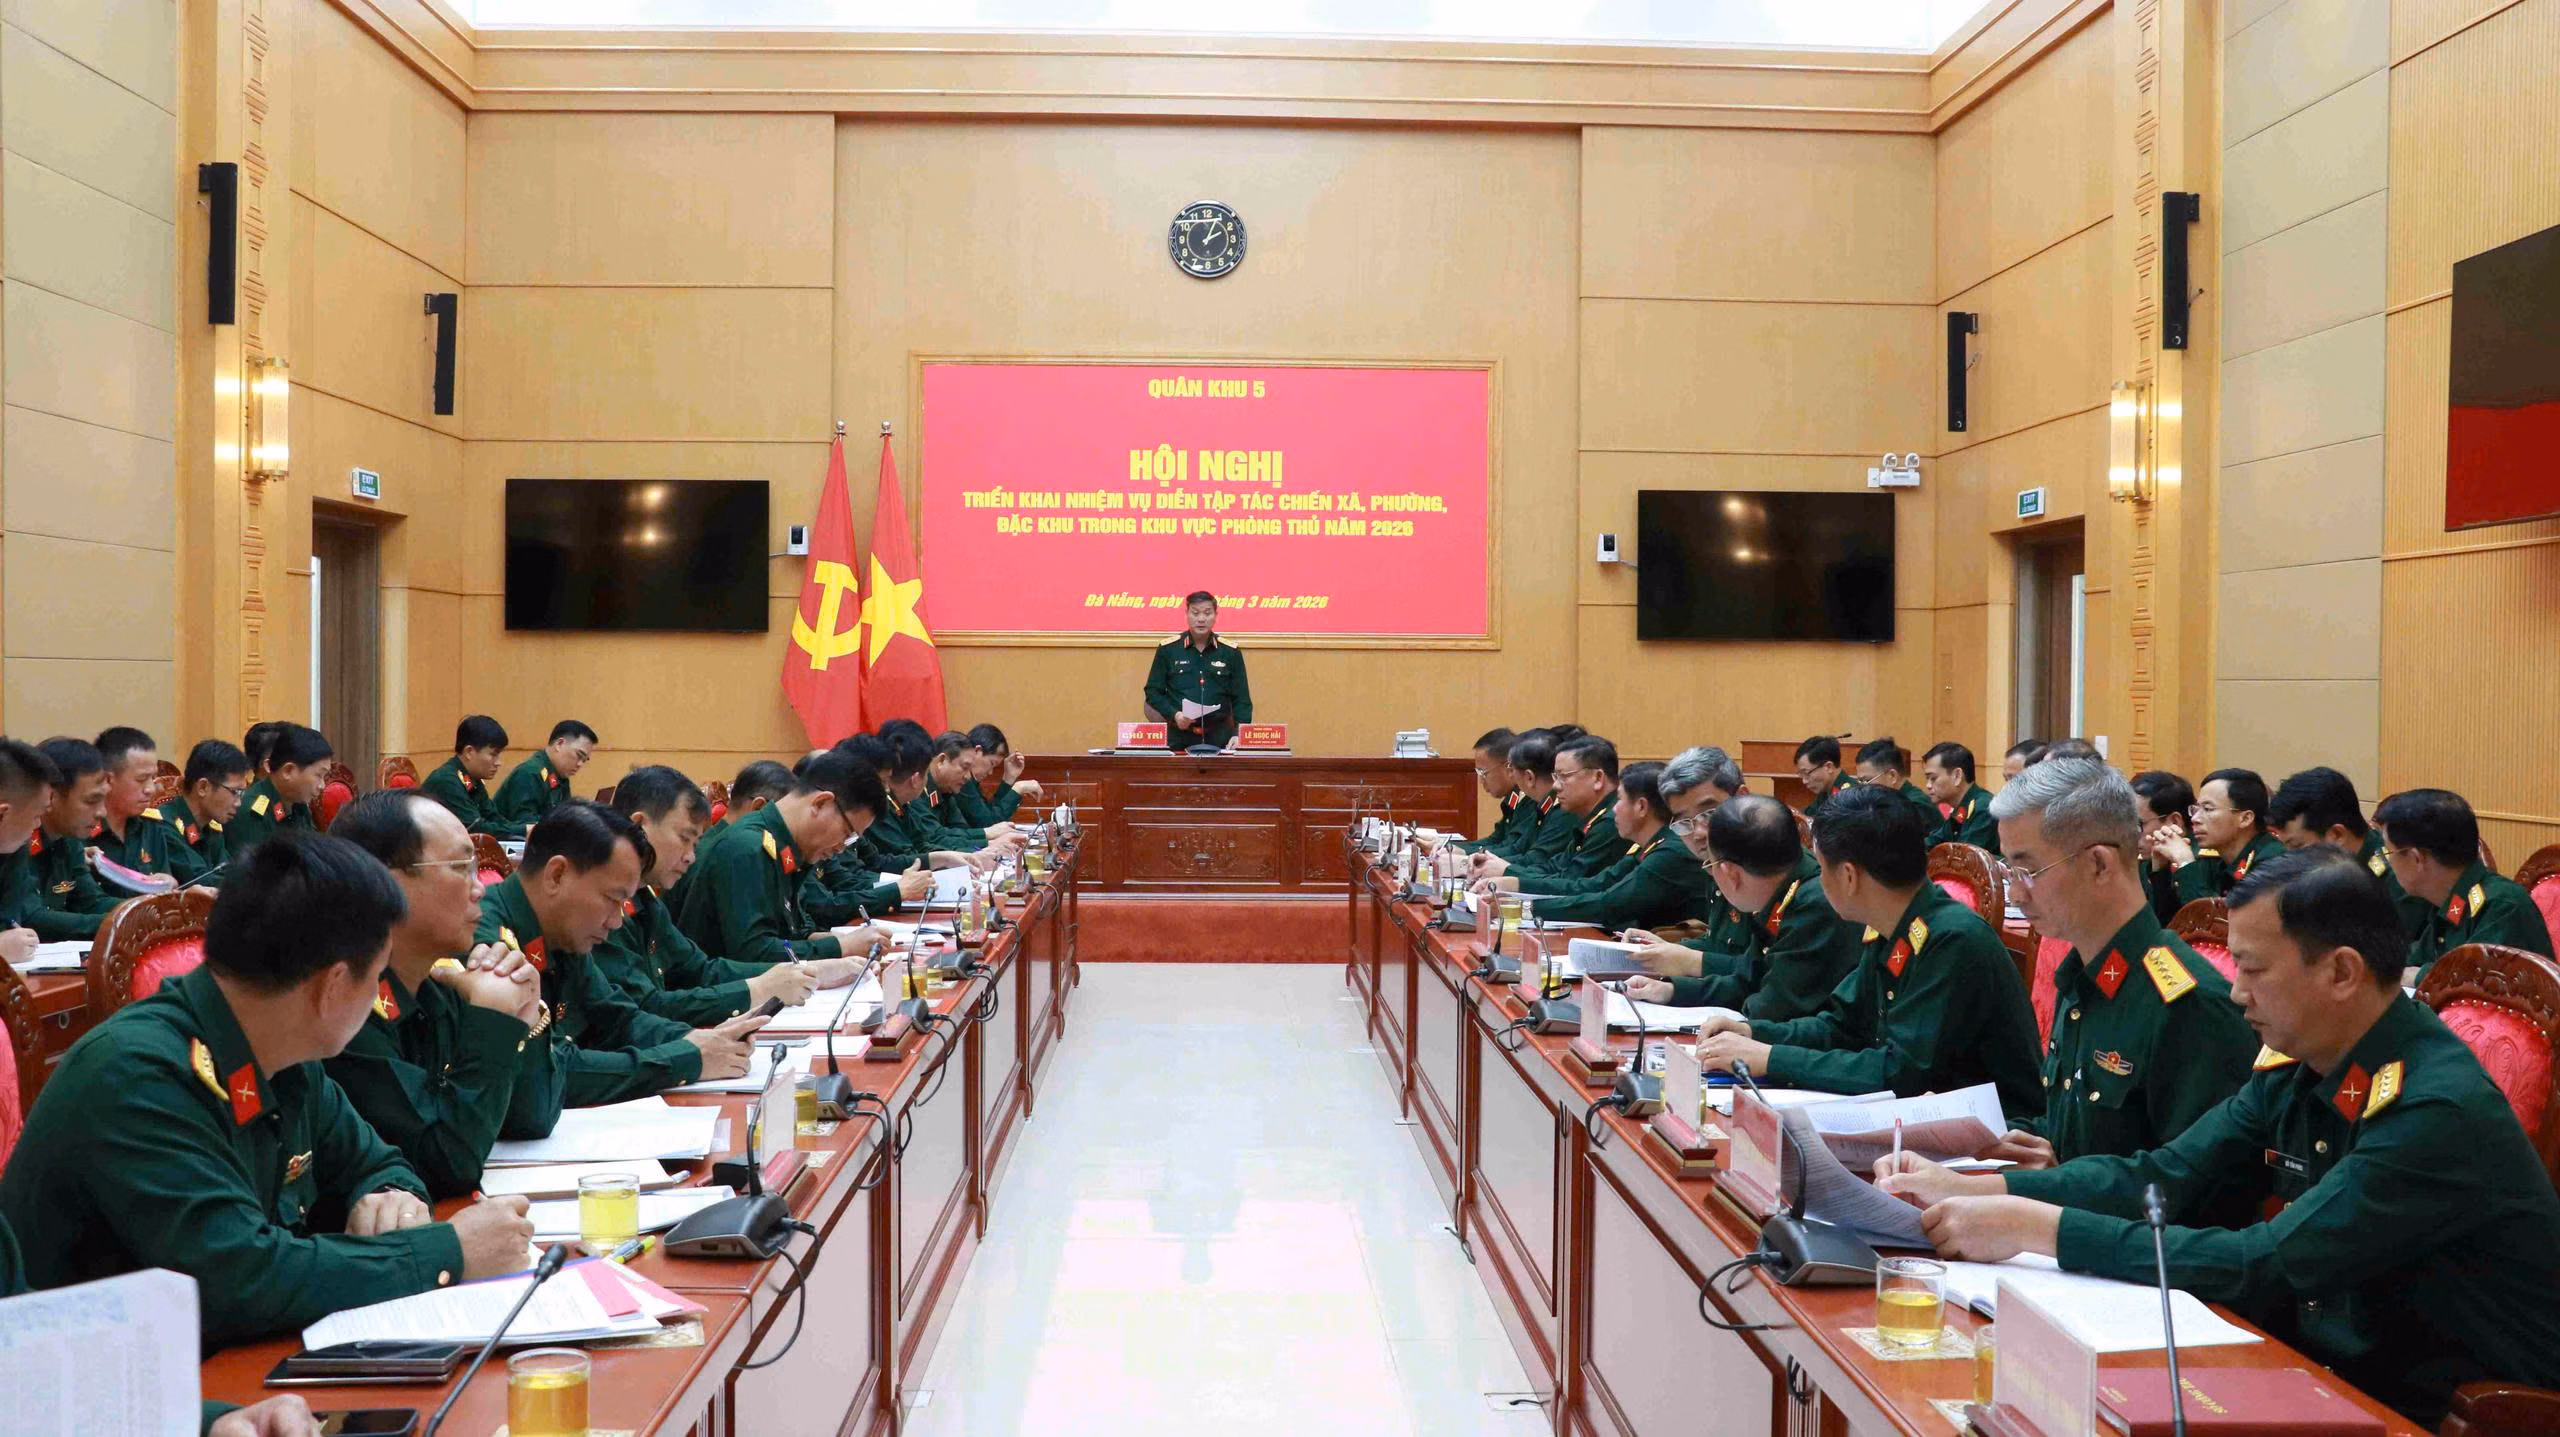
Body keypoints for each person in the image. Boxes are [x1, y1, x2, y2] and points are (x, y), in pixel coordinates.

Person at [1891, 849, 2560, 1429]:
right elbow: (2164, 1173)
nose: (2236, 993)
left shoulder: (2433, 1107)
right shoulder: (2303, 1059)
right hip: (2320, 1375)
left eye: (2253, 969)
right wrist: (1983, 1188)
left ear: (2342, 973)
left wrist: (2042, 1229)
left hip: (2444, 1412)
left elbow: (2264, 1262)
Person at [0, 831, 538, 1347]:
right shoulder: (136, 1075)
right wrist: (449, 1251)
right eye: (376, 976)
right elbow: (239, 1277)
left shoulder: (282, 1048)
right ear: (332, 986)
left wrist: (390, 1195)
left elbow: (377, 1161)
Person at [1870, 760, 2256, 1217]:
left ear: (2098, 864)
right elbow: (2072, 1137)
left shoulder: (2188, 1005)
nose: (2016, 894)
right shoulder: (2082, 975)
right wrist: (1962, 1132)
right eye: (2010, 872)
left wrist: (2019, 1188)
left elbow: (2189, 1195)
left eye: (2028, 871)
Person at [1691, 784, 2044, 1118]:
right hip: (1924, 1118)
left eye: (1822, 867)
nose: (1818, 879)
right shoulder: (1891, 925)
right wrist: (1753, 1034)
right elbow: (1841, 1026)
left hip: (1999, 1135)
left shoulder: (1951, 939)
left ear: (1848, 876)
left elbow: (1899, 1072)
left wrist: (1771, 1058)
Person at [323, 791, 550, 1197]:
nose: (479, 889)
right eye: (461, 868)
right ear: (383, 883)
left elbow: (531, 1116)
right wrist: (493, 1021)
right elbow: (448, 1164)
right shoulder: (345, 1010)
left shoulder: (442, 985)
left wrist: (522, 1013)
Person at [477, 802, 767, 1106]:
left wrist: (695, 1040)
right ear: (557, 875)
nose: (617, 921)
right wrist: (685, 1059)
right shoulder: (489, 945)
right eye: (612, 899)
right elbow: (550, 1073)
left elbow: (618, 1018)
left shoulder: (562, 928)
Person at [598, 765, 874, 1025]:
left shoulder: (644, 898)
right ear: (639, 826)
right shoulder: (603, 904)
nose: (691, 857)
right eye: (684, 838)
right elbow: (642, 1011)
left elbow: (701, 969)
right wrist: (757, 989)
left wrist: (808, 971)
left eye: (694, 843)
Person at [1626, 793, 1862, 1022]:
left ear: (1730, 873)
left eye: (1710, 864)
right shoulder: (1783, 888)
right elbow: (1747, 978)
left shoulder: (1813, 906)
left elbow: (1771, 1009)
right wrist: (1671, 991)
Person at [677, 749, 897, 970]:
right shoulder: (747, 847)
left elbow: (788, 935)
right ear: (821, 803)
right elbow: (754, 954)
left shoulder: (786, 848)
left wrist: (843, 945)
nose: (842, 848)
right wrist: (840, 947)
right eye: (847, 834)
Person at [1495, 762, 1709, 930]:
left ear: (1641, 807)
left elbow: (1609, 904)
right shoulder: (1648, 845)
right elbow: (1596, 884)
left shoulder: (1669, 851)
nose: (1614, 809)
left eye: (1620, 800)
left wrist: (1522, 908)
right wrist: (1517, 884)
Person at [2376, 787, 2551, 978]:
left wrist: (2418, 976)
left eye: (2389, 853)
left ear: (2416, 858)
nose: (2388, 862)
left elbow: (2474, 981)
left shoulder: (2502, 906)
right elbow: (2413, 958)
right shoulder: (2447, 900)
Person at [2269, 766, 2430, 940]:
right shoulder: (2333, 870)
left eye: (2297, 846)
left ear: (2337, 835)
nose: (2291, 858)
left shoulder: (2398, 877)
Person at [1471, 735, 1628, 889]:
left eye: (1564, 776)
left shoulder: (1610, 822)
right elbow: (1555, 867)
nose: (1555, 786)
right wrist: (1506, 870)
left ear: (1598, 778)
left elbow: (1571, 882)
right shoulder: (1590, 816)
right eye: (1556, 776)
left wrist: (1510, 875)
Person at [9, 737, 122, 940]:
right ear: (51, 797)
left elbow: (91, 902)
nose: (102, 812)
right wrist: (122, 922)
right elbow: (33, 918)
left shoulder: (69, 837)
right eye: (91, 801)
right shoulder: (15, 837)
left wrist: (150, 907)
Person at [2155, 767, 2285, 910]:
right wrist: (2160, 869)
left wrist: (2185, 862)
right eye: (2196, 809)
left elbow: (2220, 921)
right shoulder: (2214, 858)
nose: (2195, 819)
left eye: (2208, 809)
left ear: (2245, 818)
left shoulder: (2274, 862)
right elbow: (2173, 919)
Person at [1142, 590, 1251, 749]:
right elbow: (1153, 691)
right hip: (1177, 738)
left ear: (1216, 615)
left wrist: (1239, 734)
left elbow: (1242, 699)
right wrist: (1175, 715)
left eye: (1207, 613)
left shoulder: (1230, 652)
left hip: (1221, 739)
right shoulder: (1168, 649)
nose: (1201, 619)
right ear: (1186, 614)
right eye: (1195, 613)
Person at [142, 739, 252, 884]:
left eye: (242, 793)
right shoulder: (165, 825)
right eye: (235, 792)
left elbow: (230, 872)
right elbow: (200, 880)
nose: (238, 803)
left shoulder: (212, 826)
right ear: (203, 787)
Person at [226, 723, 330, 858]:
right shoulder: (253, 812)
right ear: (288, 771)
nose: (322, 785)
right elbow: (253, 868)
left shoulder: (299, 806)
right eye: (318, 775)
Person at [0, 738, 61, 969]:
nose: (38, 825)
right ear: (3, 814)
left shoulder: (13, 848)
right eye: (36, 815)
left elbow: (9, 919)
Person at [420, 714, 526, 840]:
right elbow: (476, 829)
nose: (498, 763)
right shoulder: (447, 781)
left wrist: (529, 829)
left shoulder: (470, 779)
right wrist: (524, 830)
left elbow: (493, 818)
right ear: (469, 752)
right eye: (493, 755)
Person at [494, 720, 597, 829]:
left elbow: (564, 817)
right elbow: (525, 823)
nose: (580, 764)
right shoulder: (530, 773)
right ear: (559, 744)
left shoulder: (560, 777)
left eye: (584, 760)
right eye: (579, 755)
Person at [87, 725, 162, 871]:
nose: (151, 789)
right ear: (108, 780)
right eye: (141, 779)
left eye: (153, 778)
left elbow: (163, 877)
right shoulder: (81, 829)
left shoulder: (151, 826)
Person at [1444, 728, 1526, 856]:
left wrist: (1465, 854)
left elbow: (1513, 849)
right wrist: (1446, 846)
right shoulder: (1512, 799)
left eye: (1483, 772)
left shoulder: (1528, 800)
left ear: (1508, 767)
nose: (1481, 781)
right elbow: (1495, 840)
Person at [2129, 769, 2197, 921]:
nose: (2131, 834)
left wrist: (2185, 864)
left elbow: (2204, 921)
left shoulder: (2202, 862)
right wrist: (2159, 872)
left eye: (2139, 824)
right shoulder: (2143, 861)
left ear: (2174, 822)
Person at [954, 723, 1043, 829]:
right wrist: (1019, 789)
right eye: (992, 763)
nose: (990, 772)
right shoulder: (960, 780)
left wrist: (1008, 779)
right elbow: (988, 825)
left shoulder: (971, 781)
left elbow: (989, 814)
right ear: (977, 751)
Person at [1920, 741, 1999, 853]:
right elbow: (1933, 842)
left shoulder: (1982, 808)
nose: (1928, 785)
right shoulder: (1962, 809)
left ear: (1957, 776)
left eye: (1933, 778)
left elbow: (1965, 858)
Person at [1852, 737, 1938, 829]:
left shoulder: (1914, 806)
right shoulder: (1888, 802)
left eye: (1866, 781)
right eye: (1860, 781)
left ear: (1892, 776)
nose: (1862, 788)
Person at [1794, 735, 1854, 818]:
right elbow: (1806, 816)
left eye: (1807, 773)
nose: (1804, 781)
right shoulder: (1825, 790)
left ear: (1829, 767)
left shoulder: (1849, 796)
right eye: (1801, 774)